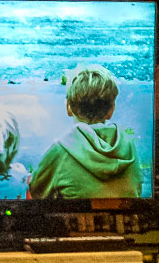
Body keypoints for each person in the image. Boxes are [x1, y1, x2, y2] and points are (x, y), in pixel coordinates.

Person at [25, 64, 148, 200]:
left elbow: (36, 191)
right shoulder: (128, 145)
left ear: (68, 107)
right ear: (111, 110)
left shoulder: (60, 149)